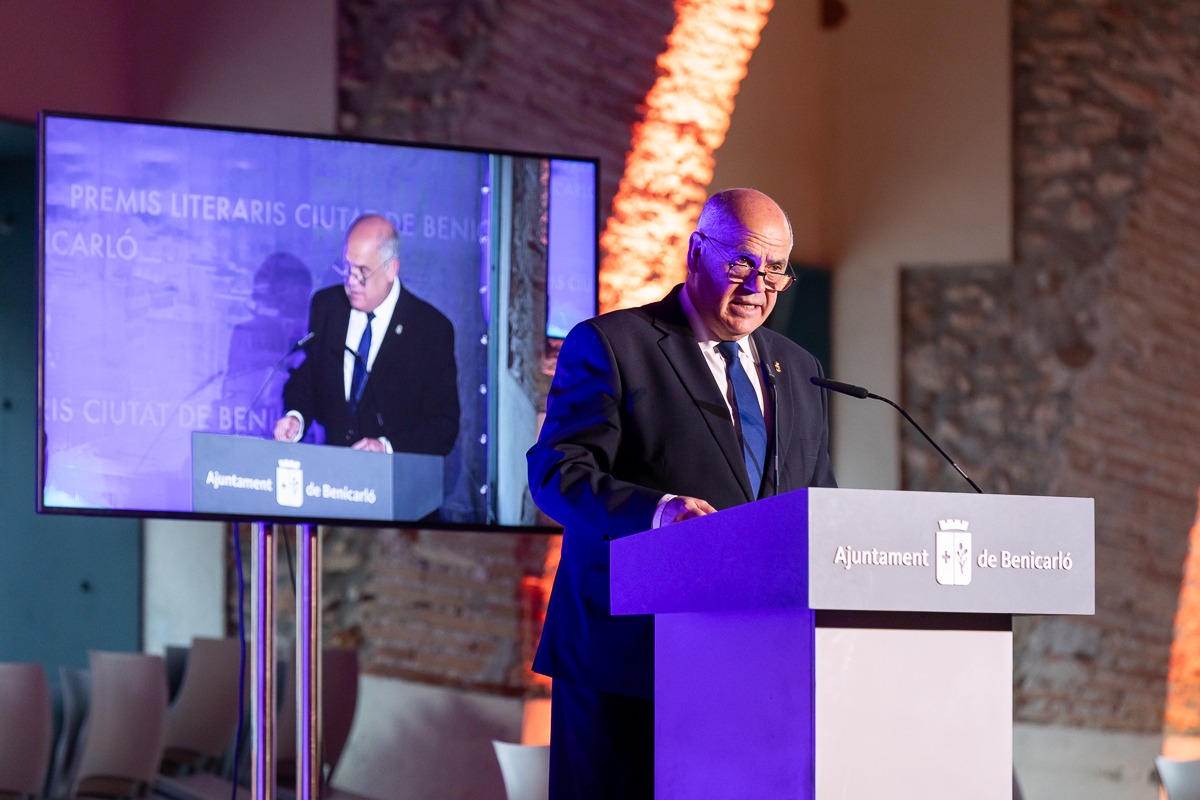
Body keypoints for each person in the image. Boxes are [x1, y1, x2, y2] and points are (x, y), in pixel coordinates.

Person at [526, 188, 837, 799]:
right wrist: (657, 512)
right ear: (697, 252)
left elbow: (816, 498)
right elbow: (557, 472)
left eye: (775, 269)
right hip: (628, 659)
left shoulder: (798, 368)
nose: (759, 286)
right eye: (743, 262)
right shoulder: (615, 344)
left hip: (754, 660)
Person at [273, 214, 459, 455]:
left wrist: (386, 447)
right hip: (333, 469)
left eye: (362, 272)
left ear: (391, 269)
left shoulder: (430, 329)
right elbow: (308, 379)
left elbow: (443, 425)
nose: (351, 281)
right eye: (347, 268)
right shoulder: (328, 306)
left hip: (396, 474)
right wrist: (296, 417)